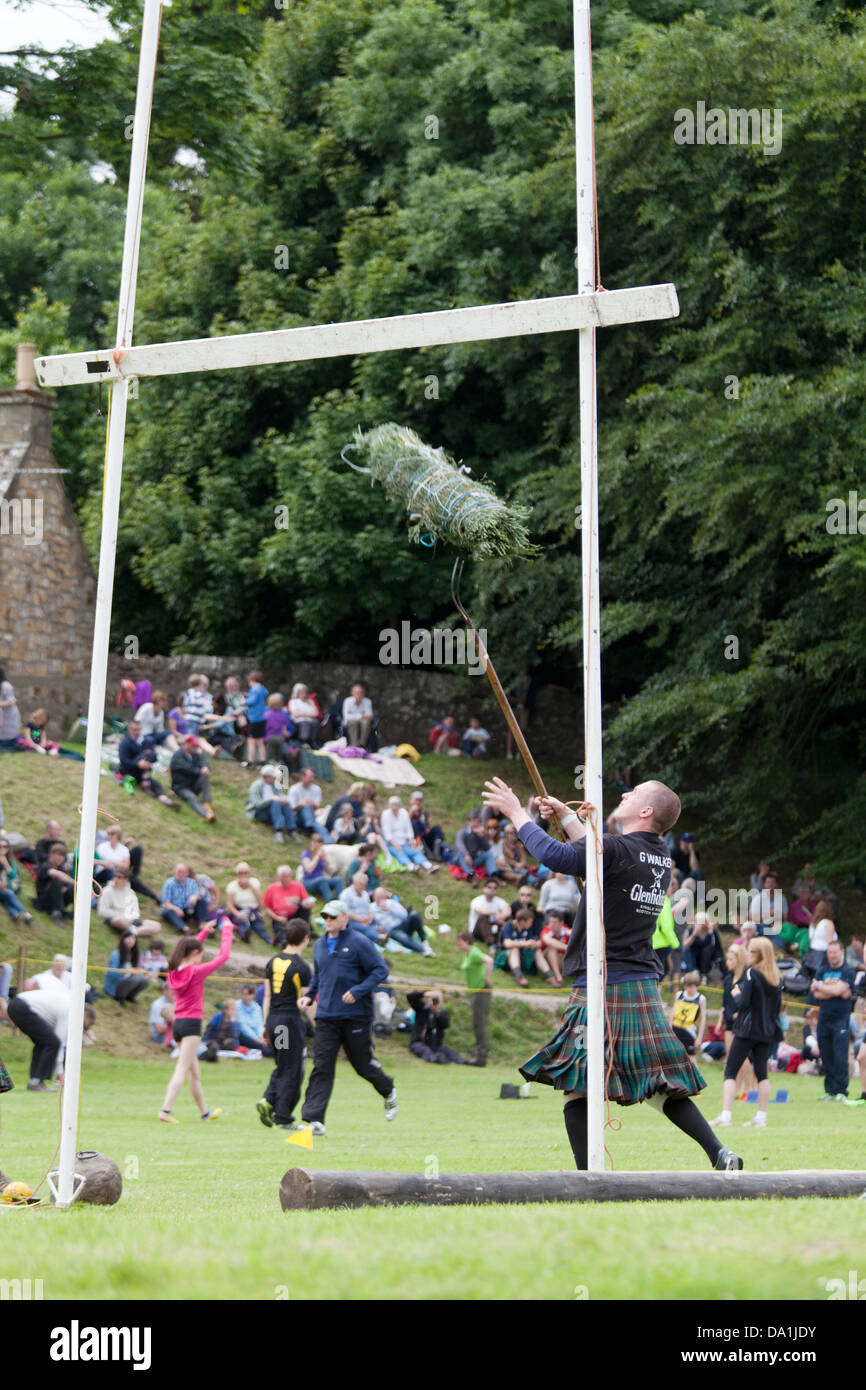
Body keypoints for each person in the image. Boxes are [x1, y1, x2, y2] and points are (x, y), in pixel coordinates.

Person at [483, 775, 743, 1171]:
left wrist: (518, 814)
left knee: (576, 1087)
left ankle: (588, 1178)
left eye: (634, 792)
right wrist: (569, 816)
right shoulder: (658, 856)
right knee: (660, 1085)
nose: (624, 793)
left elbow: (564, 858)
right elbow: (600, 855)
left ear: (645, 811)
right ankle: (720, 1154)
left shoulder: (620, 848)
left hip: (603, 982)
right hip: (639, 982)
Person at [298, 900, 396, 1134]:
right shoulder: (320, 945)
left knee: (362, 1066)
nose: (328, 921)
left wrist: (358, 991)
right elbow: (318, 976)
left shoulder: (360, 942)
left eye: (332, 917)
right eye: (325, 917)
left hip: (356, 1016)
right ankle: (314, 1120)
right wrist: (309, 996)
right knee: (321, 1065)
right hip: (327, 1016)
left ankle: (388, 1089)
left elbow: (380, 970)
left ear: (344, 918)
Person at [157, 916, 233, 1122]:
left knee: (194, 1072)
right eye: (200, 953)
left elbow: (187, 948)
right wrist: (227, 929)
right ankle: (166, 1109)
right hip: (191, 1024)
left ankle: (204, 1113)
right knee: (182, 1068)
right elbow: (223, 956)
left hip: (179, 1023)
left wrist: (204, 932)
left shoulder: (175, 971)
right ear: (195, 954)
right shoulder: (196, 972)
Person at [711, 938, 783, 1130]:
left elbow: (744, 1003)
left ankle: (726, 1115)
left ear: (759, 955)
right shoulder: (776, 977)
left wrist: (736, 995)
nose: (748, 955)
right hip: (767, 1030)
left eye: (751, 952)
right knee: (762, 1073)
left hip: (747, 1028)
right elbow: (777, 1008)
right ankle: (762, 1115)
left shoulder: (752, 973)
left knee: (730, 1071)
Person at [257, 920, 312, 1130]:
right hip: (290, 1021)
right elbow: (306, 1001)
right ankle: (283, 1116)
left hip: (274, 1020)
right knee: (294, 1068)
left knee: (283, 1064)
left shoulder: (272, 962)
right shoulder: (301, 968)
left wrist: (265, 1023)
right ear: (305, 938)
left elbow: (267, 996)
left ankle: (268, 1099)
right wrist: (317, 1025)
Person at [810, 938, 856, 1100]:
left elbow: (839, 992)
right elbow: (816, 993)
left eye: (835, 952)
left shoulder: (848, 971)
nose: (832, 955)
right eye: (829, 952)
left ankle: (841, 1091)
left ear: (841, 952)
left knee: (840, 1055)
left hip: (840, 1019)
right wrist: (830, 988)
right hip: (824, 1018)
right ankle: (830, 1091)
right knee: (827, 1055)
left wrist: (821, 985)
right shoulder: (822, 969)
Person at [1, 986, 69, 1090]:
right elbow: (59, 1042)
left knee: (42, 1042)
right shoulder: (69, 1010)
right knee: (52, 1043)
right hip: (21, 1006)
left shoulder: (65, 1001)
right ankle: (37, 1082)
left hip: (16, 1004)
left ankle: (35, 1081)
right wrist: (60, 1073)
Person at [117, 721, 176, 807]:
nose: (137, 732)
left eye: (138, 730)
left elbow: (155, 757)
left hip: (143, 771)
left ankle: (163, 798)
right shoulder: (125, 743)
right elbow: (124, 761)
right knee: (146, 753)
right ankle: (146, 780)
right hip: (130, 771)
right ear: (130, 730)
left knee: (156, 784)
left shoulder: (146, 741)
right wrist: (138, 764)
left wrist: (147, 762)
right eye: (134, 730)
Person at [456, 930, 492, 1066]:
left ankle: (481, 1056)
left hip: (481, 992)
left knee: (480, 1024)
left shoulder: (474, 952)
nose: (458, 945)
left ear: (466, 941)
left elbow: (489, 961)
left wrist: (487, 978)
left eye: (459, 942)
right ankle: (478, 1051)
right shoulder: (468, 954)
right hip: (475, 992)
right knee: (477, 1024)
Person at [406, 989, 468, 1064]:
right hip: (419, 1043)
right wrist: (426, 993)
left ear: (441, 1002)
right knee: (424, 1050)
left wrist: (437, 1013)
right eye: (432, 1000)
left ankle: (463, 1062)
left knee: (450, 1052)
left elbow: (446, 1025)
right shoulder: (421, 1009)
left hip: (435, 1045)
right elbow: (410, 997)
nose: (434, 1002)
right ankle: (435, 1059)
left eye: (437, 1000)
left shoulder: (442, 1013)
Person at [97, 866, 160, 937]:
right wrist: (120, 915)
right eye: (115, 876)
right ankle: (133, 931)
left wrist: (129, 918)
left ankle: (133, 932)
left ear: (126, 879)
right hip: (115, 918)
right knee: (119, 920)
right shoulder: (107, 890)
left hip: (130, 920)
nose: (116, 879)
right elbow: (102, 911)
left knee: (156, 926)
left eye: (119, 877)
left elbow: (135, 912)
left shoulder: (130, 892)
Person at [245, 764, 302, 844]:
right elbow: (257, 804)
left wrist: (283, 799)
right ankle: (278, 830)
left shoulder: (275, 786)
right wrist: (271, 799)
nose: (275, 778)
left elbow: (280, 795)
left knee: (285, 803)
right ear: (266, 777)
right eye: (273, 777)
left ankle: (291, 830)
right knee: (275, 802)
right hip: (258, 812)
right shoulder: (256, 786)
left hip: (272, 811)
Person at [371, 885, 434, 955]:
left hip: (403, 924)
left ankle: (424, 940)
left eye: (382, 897)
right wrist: (377, 928)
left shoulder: (392, 903)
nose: (380, 899)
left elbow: (404, 915)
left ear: (385, 896)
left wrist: (390, 909)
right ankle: (423, 951)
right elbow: (370, 923)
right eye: (378, 897)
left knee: (414, 915)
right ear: (374, 897)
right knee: (403, 938)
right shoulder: (371, 909)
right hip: (392, 930)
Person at [496, 908, 552, 986]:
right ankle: (518, 975)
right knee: (515, 949)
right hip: (504, 957)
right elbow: (507, 944)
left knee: (537, 951)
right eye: (530, 922)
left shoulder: (527, 929)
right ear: (522, 921)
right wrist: (525, 943)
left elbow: (532, 940)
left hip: (521, 957)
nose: (531, 924)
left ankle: (550, 976)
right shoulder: (509, 926)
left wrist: (535, 944)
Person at [262, 866, 315, 947]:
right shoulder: (272, 888)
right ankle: (284, 940)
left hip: (295, 916)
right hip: (279, 917)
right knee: (280, 929)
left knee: (304, 908)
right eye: (284, 876)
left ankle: (304, 935)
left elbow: (307, 902)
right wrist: (277, 917)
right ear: (278, 877)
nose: (286, 879)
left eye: (288, 876)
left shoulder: (298, 886)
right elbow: (267, 908)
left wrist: (307, 903)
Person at [380, 795, 434, 871]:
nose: (394, 807)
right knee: (399, 853)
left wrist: (411, 840)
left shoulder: (403, 813)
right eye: (392, 805)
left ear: (399, 806)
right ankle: (410, 865)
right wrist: (395, 844)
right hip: (391, 843)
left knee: (414, 851)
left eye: (396, 805)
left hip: (404, 842)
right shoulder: (386, 814)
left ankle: (427, 865)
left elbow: (408, 828)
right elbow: (386, 833)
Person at [170, 737, 215, 821]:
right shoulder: (177, 756)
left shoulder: (195, 755)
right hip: (181, 787)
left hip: (193, 785)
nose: (195, 748)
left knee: (204, 776)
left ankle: (207, 802)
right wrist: (200, 771)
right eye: (193, 746)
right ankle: (207, 814)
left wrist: (205, 768)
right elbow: (188, 769)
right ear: (186, 744)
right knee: (192, 798)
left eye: (196, 746)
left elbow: (203, 762)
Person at [224, 862, 270, 944]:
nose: (243, 875)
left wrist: (252, 887)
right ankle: (244, 935)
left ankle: (271, 941)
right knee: (241, 923)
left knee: (259, 926)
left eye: (245, 873)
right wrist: (238, 914)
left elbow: (262, 900)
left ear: (249, 874)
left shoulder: (255, 882)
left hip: (253, 912)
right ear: (237, 874)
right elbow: (229, 904)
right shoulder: (232, 886)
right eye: (240, 873)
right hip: (239, 911)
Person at [159, 863, 211, 935]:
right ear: (175, 872)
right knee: (168, 911)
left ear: (187, 873)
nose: (181, 874)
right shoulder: (169, 883)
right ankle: (184, 929)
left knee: (202, 902)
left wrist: (194, 897)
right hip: (174, 910)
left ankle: (203, 925)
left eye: (183, 872)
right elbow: (165, 903)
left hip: (187, 909)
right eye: (179, 872)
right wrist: (176, 909)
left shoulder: (191, 882)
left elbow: (197, 894)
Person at [104, 931, 150, 1005]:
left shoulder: (134, 954)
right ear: (123, 939)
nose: (131, 940)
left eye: (133, 938)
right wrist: (125, 971)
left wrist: (142, 972)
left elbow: (135, 970)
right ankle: (119, 996)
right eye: (129, 937)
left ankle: (129, 996)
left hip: (129, 980)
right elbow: (111, 972)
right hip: (115, 984)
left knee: (145, 981)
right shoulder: (116, 953)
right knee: (135, 979)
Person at [288, 767, 332, 841]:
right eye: (310, 777)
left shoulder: (316, 789)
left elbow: (317, 805)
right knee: (306, 808)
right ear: (302, 777)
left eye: (313, 777)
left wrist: (311, 803)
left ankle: (310, 828)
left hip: (312, 815)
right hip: (297, 817)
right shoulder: (294, 789)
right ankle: (310, 827)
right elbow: (291, 807)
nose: (312, 779)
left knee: (319, 812)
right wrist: (301, 804)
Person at [35, 841, 75, 922]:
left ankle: (75, 913)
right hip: (43, 901)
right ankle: (57, 914)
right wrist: (76, 882)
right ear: (51, 854)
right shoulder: (45, 866)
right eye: (58, 855)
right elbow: (57, 874)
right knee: (57, 880)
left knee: (74, 889)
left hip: (57, 899)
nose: (60, 858)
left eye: (62, 856)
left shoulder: (60, 867)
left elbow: (65, 887)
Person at [671, 972, 707, 1055]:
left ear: (697, 986)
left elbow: (703, 1019)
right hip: (675, 1028)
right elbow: (672, 1012)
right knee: (673, 1055)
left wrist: (699, 1038)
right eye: (686, 986)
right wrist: (669, 1029)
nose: (688, 989)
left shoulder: (701, 999)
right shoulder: (679, 995)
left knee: (690, 1058)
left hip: (689, 1031)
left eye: (691, 986)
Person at [299, 834, 344, 902]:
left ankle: (342, 900)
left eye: (319, 842)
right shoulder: (306, 854)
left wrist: (324, 860)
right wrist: (317, 856)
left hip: (321, 881)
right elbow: (309, 869)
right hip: (309, 882)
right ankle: (330, 901)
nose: (316, 844)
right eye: (314, 841)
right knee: (322, 879)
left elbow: (331, 872)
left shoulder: (322, 854)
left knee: (338, 880)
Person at [680, 912, 724, 979]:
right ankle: (691, 972)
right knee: (688, 949)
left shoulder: (712, 932)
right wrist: (694, 934)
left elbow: (717, 948)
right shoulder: (690, 931)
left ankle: (704, 975)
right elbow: (684, 946)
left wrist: (710, 933)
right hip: (694, 961)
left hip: (707, 961)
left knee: (707, 949)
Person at [0, 834, 33, 923]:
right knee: (9, 894)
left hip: (8, 887)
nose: (2, 848)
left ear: (8, 849)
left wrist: (5, 862)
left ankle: (15, 914)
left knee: (6, 897)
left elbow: (13, 875)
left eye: (5, 846)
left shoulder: (10, 860)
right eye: (0, 846)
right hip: (4, 888)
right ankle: (26, 914)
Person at [469, 878, 511, 945]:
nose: (492, 890)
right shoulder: (477, 900)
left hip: (492, 929)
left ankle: (503, 940)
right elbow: (479, 910)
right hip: (477, 931)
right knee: (484, 917)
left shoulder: (498, 900)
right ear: (484, 888)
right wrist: (495, 912)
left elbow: (507, 909)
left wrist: (502, 916)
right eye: (489, 887)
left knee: (508, 918)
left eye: (495, 888)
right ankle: (490, 942)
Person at [803, 898, 838, 977]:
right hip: (823, 956)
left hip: (811, 954)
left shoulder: (813, 923)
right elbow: (830, 942)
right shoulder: (828, 923)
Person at [747, 871, 788, 937]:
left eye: (773, 882)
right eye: (768, 882)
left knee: (787, 930)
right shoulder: (758, 898)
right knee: (771, 932)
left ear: (776, 884)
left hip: (778, 925)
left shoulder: (782, 898)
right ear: (764, 884)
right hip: (761, 926)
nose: (770, 884)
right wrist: (770, 913)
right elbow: (752, 919)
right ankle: (783, 943)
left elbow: (786, 919)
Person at [339, 871, 377, 942]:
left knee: (377, 924)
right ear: (355, 883)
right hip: (352, 921)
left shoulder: (365, 894)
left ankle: (376, 934)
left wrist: (370, 916)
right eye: (362, 885)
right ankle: (378, 937)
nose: (364, 887)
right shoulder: (346, 894)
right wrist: (361, 920)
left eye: (365, 885)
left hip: (365, 919)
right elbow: (346, 912)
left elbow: (369, 908)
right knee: (365, 928)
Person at [243, 669, 269, 766]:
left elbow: (252, 701)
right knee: (260, 741)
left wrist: (244, 702)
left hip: (254, 718)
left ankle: (250, 761)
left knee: (251, 740)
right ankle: (263, 760)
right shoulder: (263, 689)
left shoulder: (254, 689)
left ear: (252, 680)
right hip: (262, 718)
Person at [539, 910, 571, 987]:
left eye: (554, 922)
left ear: (561, 923)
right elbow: (548, 941)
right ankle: (558, 977)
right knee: (552, 948)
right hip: (546, 961)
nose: (551, 925)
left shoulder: (567, 931)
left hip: (562, 960)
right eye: (550, 922)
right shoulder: (547, 930)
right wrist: (567, 947)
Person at [236, 984, 271, 1053]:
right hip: (243, 1035)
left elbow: (259, 1025)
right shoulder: (237, 1006)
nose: (245, 997)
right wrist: (256, 1039)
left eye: (248, 994)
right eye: (244, 994)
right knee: (263, 1048)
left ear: (253, 995)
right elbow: (244, 1027)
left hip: (256, 1035)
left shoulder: (256, 1007)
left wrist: (262, 1038)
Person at [264, 692, 293, 764]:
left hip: (270, 737)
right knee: (279, 752)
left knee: (271, 752)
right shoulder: (283, 715)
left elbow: (264, 727)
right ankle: (280, 762)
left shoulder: (266, 715)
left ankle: (271, 762)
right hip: (280, 738)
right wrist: (286, 734)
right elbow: (284, 729)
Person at [342, 683, 373, 748]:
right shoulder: (347, 701)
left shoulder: (367, 701)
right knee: (353, 722)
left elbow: (369, 716)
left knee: (366, 723)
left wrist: (353, 715)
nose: (359, 694)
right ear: (352, 693)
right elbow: (347, 717)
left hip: (362, 723)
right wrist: (362, 715)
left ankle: (362, 745)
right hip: (350, 723)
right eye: (357, 692)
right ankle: (354, 745)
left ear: (364, 693)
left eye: (361, 692)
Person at [0, 669, 22, 750]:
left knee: (7, 740)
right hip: (2, 716)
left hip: (9, 717)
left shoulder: (6, 686)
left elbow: (11, 701)